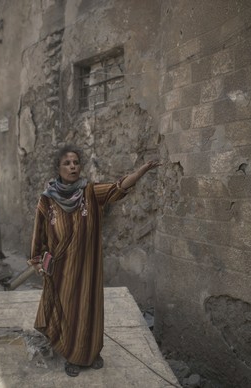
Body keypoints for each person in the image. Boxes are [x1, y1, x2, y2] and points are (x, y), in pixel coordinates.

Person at [27, 144, 161, 377]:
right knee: (67, 309)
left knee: (89, 308)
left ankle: (90, 352)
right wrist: (38, 261)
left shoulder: (89, 192)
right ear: (58, 168)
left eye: (76, 163)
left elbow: (116, 188)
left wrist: (140, 172)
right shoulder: (46, 200)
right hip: (61, 267)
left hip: (88, 265)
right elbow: (38, 232)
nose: (73, 166)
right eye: (67, 163)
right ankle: (71, 354)